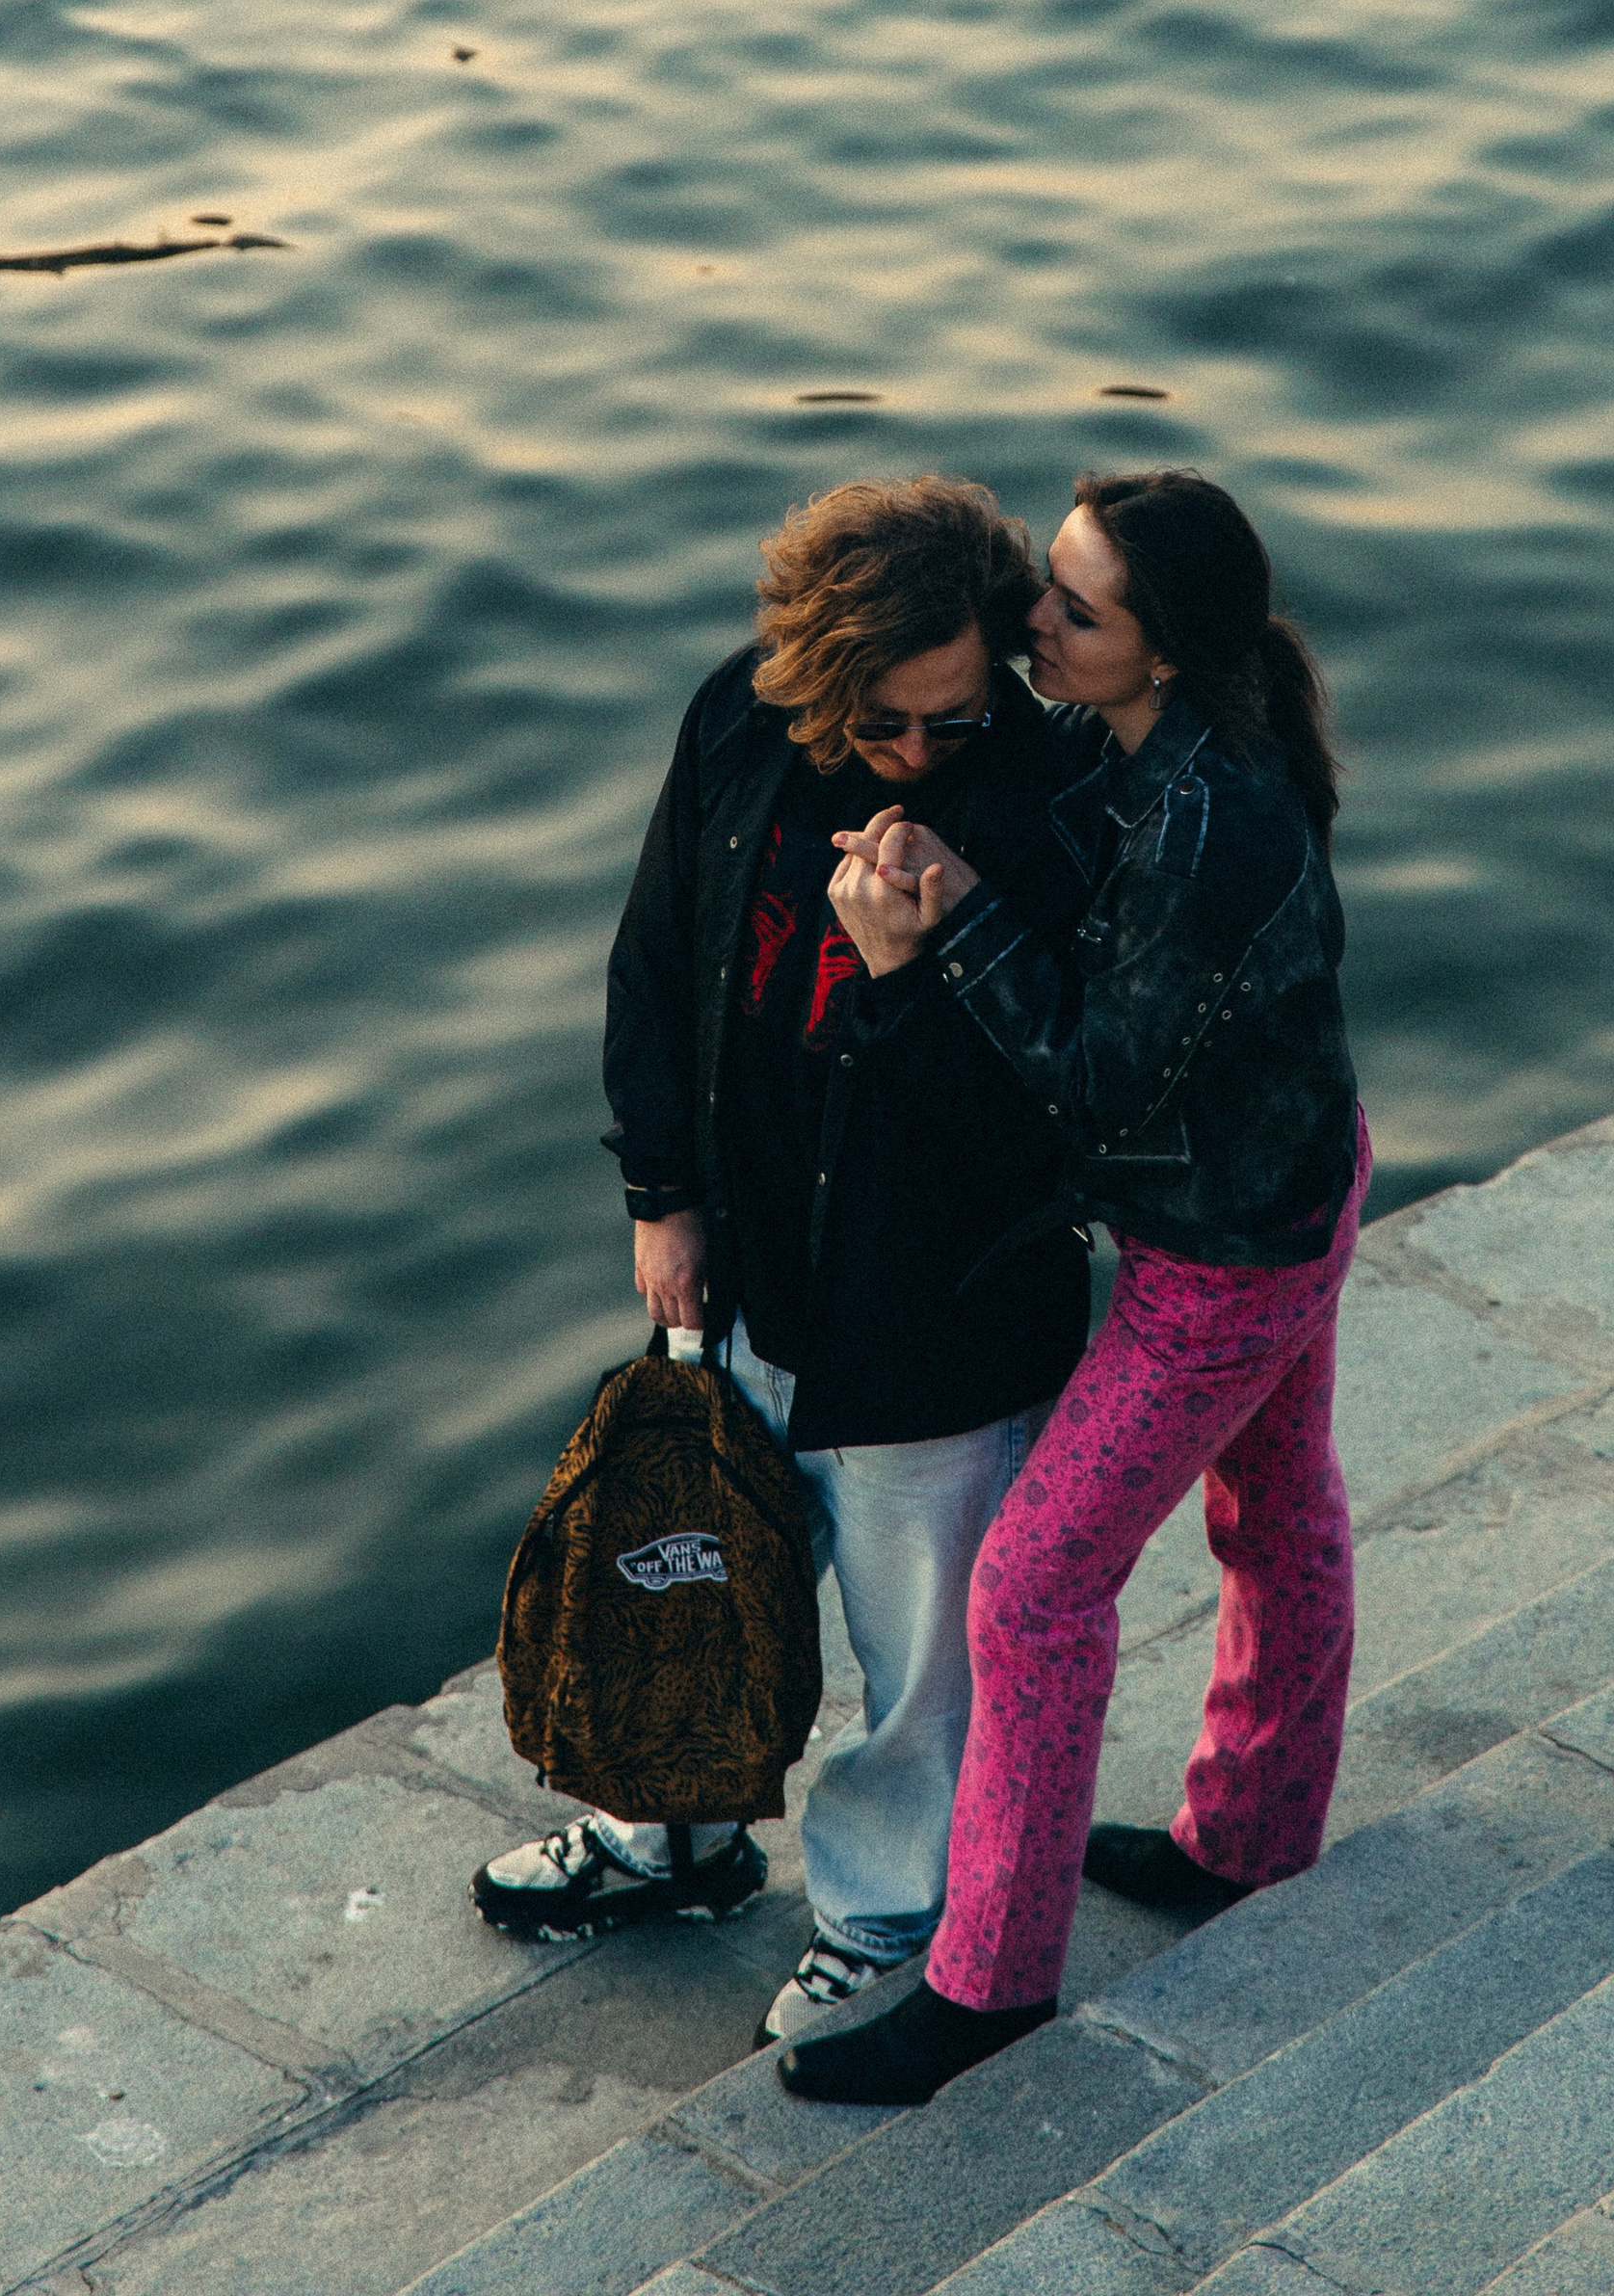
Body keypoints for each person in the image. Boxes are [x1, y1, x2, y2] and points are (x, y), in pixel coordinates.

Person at [470, 476, 1095, 2046]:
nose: (921, 758)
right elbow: (654, 962)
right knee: (692, 1572)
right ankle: (668, 1837)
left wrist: (917, 962)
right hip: (743, 1265)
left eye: (956, 719)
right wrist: (660, 1195)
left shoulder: (1041, 801)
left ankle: (883, 1920)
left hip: (936, 1314)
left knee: (918, 1659)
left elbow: (1044, 1128)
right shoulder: (739, 725)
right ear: (822, 683)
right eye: (887, 724)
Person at [781, 467, 1365, 2106]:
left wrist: (943, 926)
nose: (1033, 616)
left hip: (1223, 1261)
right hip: (1311, 1174)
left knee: (1031, 1591)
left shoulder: (1196, 819)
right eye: (1051, 576)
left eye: (1073, 609)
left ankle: (990, 1981)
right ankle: (1248, 1837)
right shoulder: (1196, 749)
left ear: (1158, 651)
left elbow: (1096, 1088)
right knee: (1280, 1506)